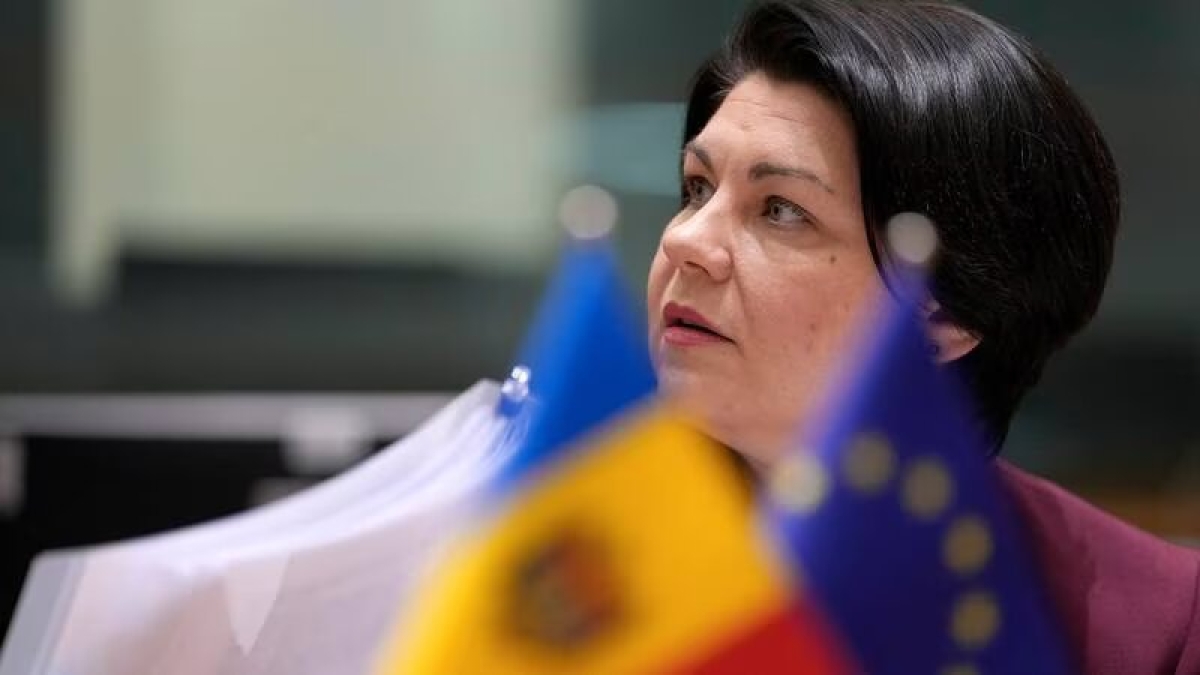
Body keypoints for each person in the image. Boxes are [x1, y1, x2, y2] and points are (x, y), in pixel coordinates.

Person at [644, 1, 1200, 672]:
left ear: (947, 314)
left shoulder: (1158, 632)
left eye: (782, 210)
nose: (685, 240)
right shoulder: (552, 523)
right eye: (697, 188)